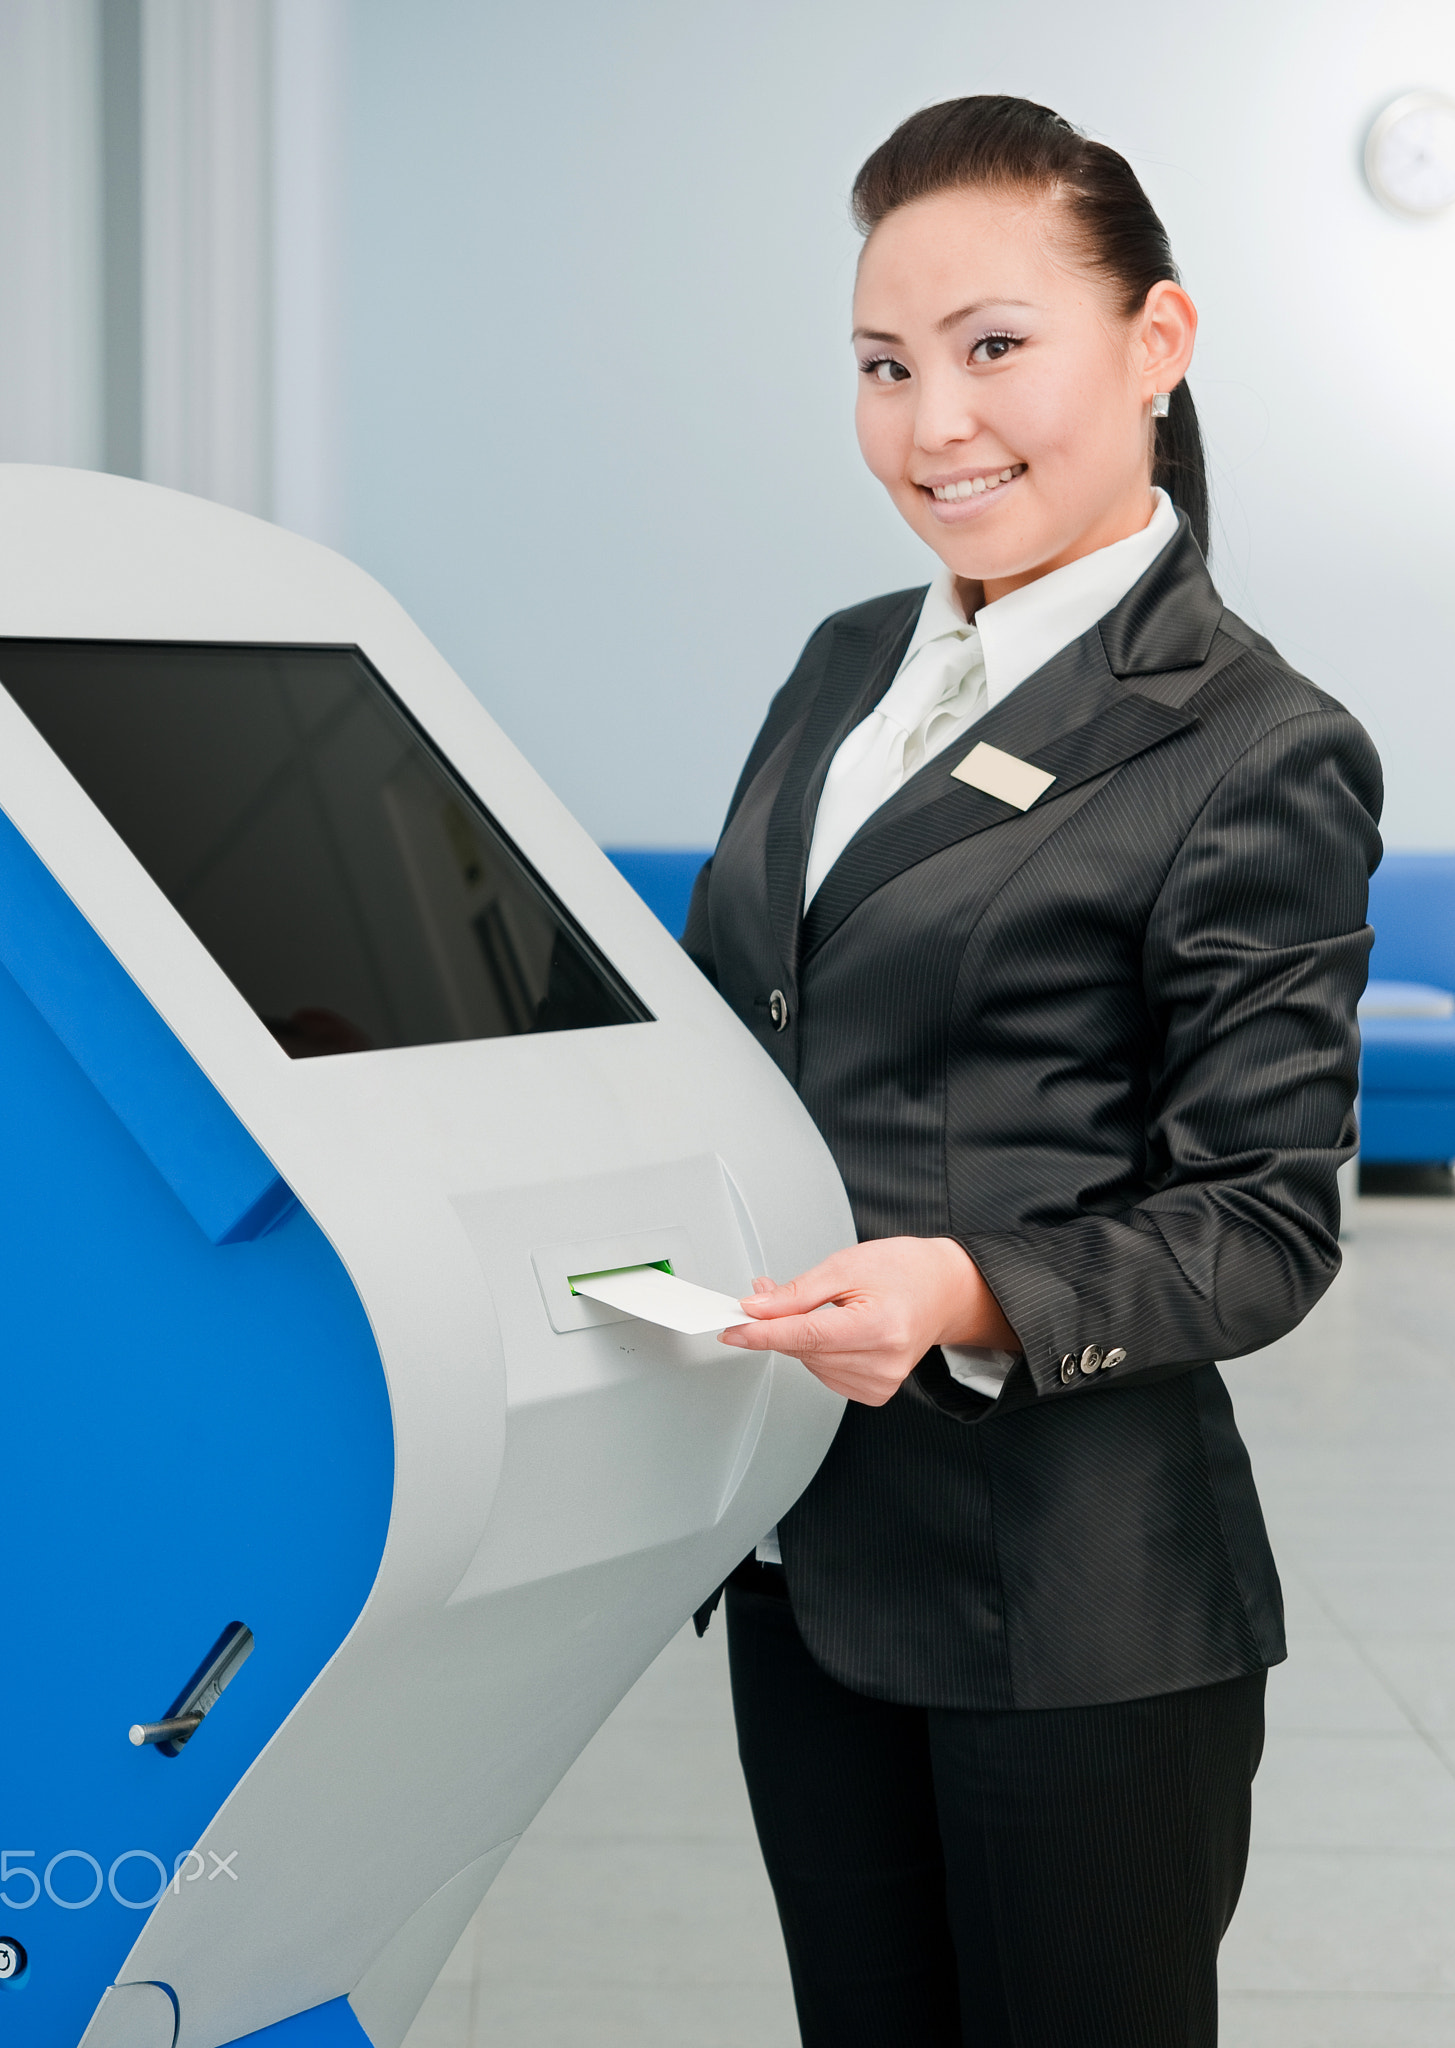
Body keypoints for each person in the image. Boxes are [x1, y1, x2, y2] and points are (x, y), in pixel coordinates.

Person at [684, 95, 1381, 2048]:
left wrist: (960, 1285)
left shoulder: (1252, 745)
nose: (934, 424)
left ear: (1156, 341)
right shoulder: (843, 666)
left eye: (995, 348)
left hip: (1079, 1616)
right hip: (811, 1567)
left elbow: (1257, 1219)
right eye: (885, 366)